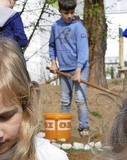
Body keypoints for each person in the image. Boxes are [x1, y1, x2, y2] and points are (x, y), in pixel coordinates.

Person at [48, 0, 90, 136]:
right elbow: (52, 45)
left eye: (72, 12)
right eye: (66, 13)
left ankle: (84, 127)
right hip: (64, 69)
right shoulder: (55, 26)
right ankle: (64, 129)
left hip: (80, 68)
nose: (69, 16)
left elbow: (83, 51)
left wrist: (78, 71)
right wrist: (53, 62)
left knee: (80, 99)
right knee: (65, 100)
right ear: (60, 11)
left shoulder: (78, 27)